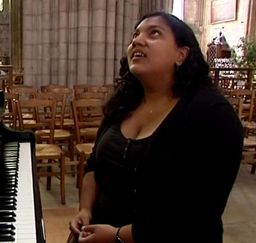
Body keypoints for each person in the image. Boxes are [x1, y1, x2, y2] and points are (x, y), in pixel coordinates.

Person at [69, 11, 243, 243]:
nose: (137, 41)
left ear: (181, 54)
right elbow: (94, 166)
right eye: (135, 35)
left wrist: (119, 235)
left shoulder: (212, 114)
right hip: (99, 233)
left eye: (154, 34)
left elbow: (199, 212)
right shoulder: (124, 102)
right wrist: (85, 210)